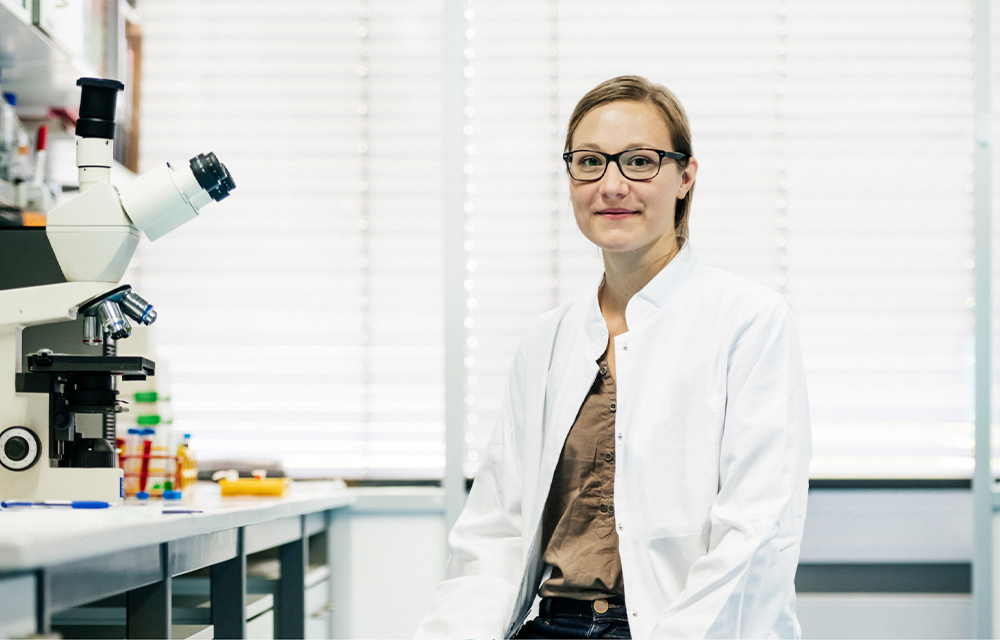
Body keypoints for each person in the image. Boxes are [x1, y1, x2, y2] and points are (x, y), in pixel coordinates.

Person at [416, 75, 811, 639]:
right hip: (554, 626)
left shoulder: (749, 321)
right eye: (590, 162)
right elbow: (496, 532)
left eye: (640, 162)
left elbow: (755, 530)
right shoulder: (547, 339)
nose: (613, 185)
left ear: (685, 176)